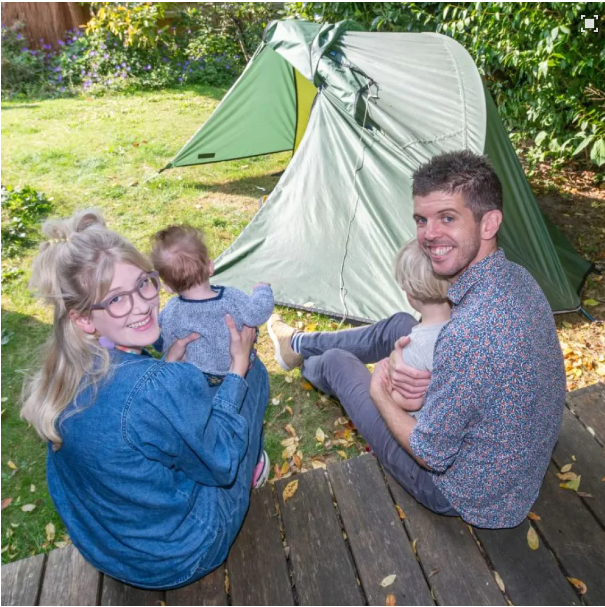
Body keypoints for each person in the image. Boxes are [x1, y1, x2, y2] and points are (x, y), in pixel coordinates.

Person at [268, 150, 566, 529]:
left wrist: (379, 387)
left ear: (489, 223)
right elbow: (469, 364)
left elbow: (430, 454)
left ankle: (307, 360)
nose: (428, 235)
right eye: (421, 220)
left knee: (342, 365)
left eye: (447, 218)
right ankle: (298, 344)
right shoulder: (516, 278)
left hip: (459, 491)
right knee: (400, 325)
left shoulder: (469, 334)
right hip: (514, 463)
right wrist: (436, 378)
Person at [21, 210, 270, 589]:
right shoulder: (155, 388)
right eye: (116, 299)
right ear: (84, 319)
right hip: (183, 552)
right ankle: (254, 462)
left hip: (109, 549)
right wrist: (237, 369)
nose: (141, 305)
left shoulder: (61, 373)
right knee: (254, 376)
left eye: (144, 284)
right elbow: (220, 463)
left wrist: (164, 371)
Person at [150, 225, 274, 386]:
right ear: (210, 267)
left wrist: (158, 343)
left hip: (196, 376)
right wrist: (263, 290)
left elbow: (164, 341)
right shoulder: (231, 297)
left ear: (168, 287)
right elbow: (257, 313)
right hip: (235, 368)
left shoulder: (171, 309)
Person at [388, 237, 451, 414]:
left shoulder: (415, 345)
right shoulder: (463, 320)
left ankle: (311, 364)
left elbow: (412, 402)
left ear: (409, 295)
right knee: (400, 320)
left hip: (414, 430)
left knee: (334, 360)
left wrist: (389, 390)